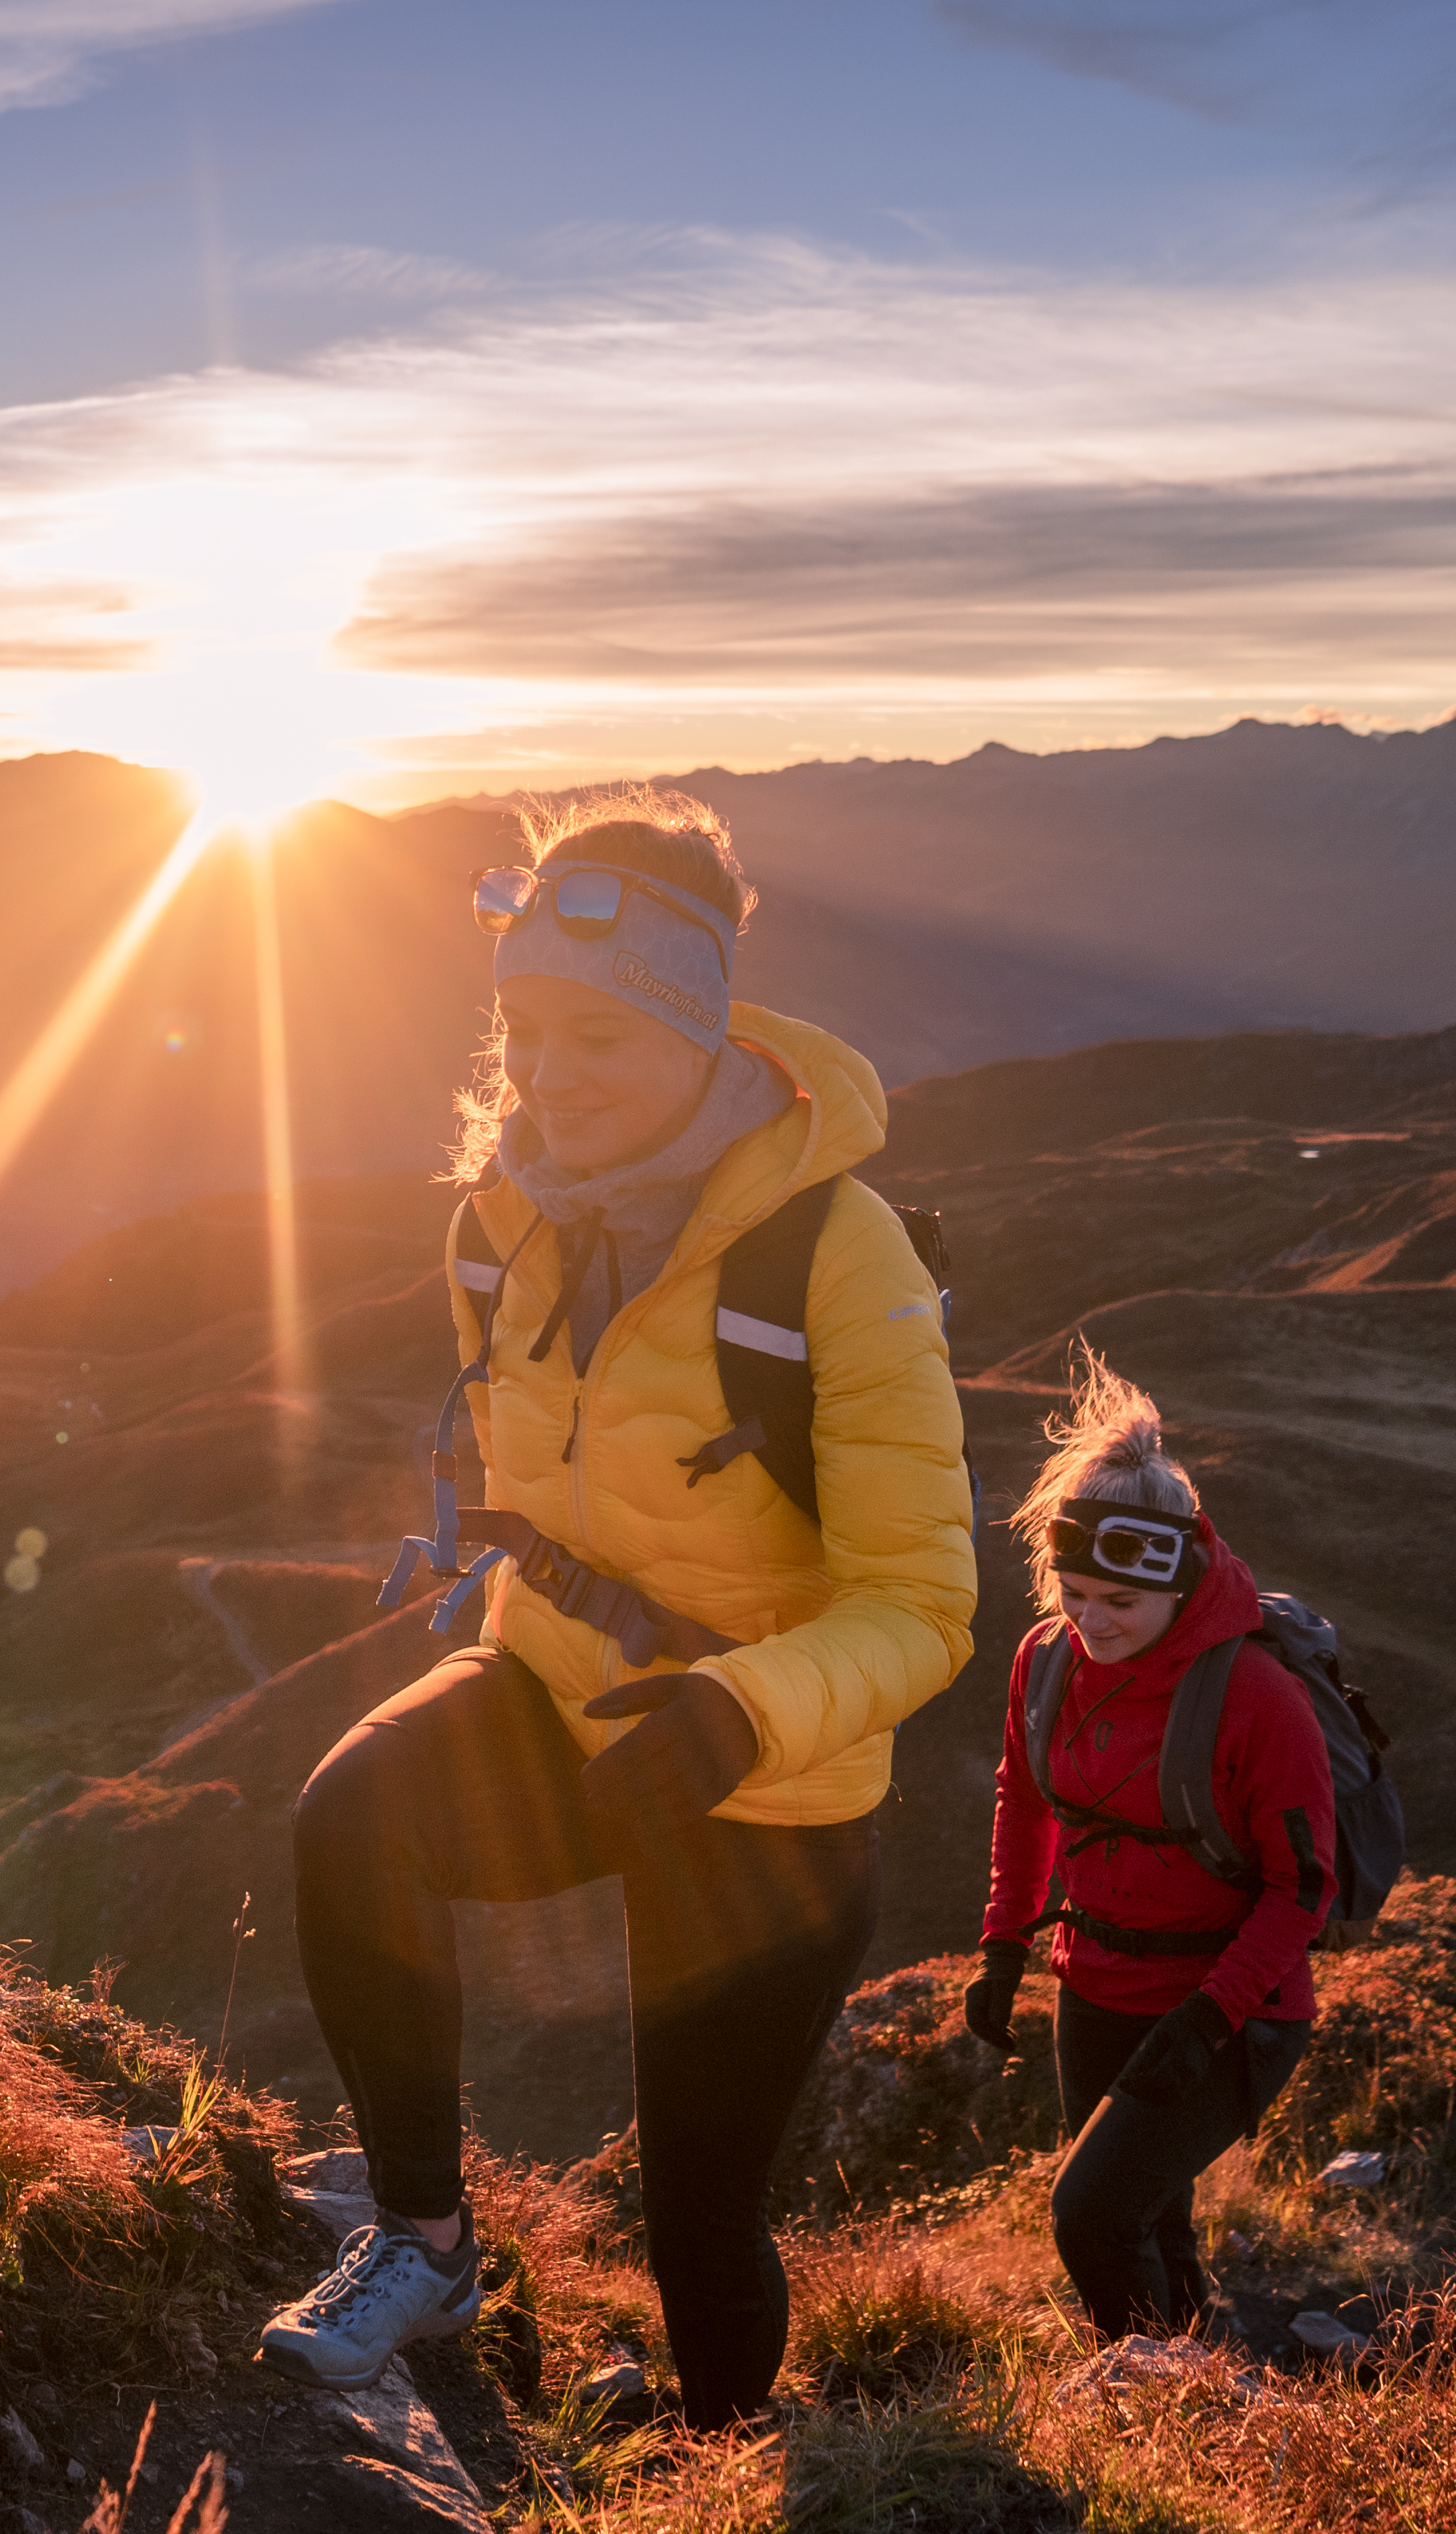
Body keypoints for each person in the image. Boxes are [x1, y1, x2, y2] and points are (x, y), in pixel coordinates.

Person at [254, 788, 978, 2431]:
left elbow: (927, 1602)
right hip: (557, 1685)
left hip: (767, 1778)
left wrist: (737, 1708)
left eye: (598, 1035)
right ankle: (426, 2245)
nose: (551, 1078)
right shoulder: (502, 1221)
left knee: (694, 2207)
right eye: (524, 1034)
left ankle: (731, 2472)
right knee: (353, 1816)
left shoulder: (835, 1256)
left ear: (700, 1026)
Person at [965, 1347, 1335, 2340]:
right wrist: (1005, 1945)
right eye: (1072, 1593)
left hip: (1233, 2010)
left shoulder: (1257, 1697)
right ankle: (1197, 2381)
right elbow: (1026, 1799)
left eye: (1119, 1603)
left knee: (1088, 2217)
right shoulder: (1045, 1661)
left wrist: (1210, 2019)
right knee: (1150, 2221)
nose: (1091, 1623)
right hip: (1092, 1987)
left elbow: (1303, 1888)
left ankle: (1145, 2400)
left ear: (1180, 1583)